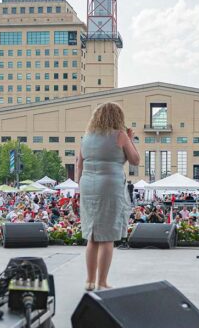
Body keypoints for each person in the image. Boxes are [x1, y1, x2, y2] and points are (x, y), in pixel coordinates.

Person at [75, 102, 140, 291]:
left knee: (92, 235)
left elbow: (79, 164)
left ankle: (89, 281)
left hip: (88, 184)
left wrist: (80, 186)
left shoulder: (86, 137)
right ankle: (102, 282)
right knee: (107, 237)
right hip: (109, 185)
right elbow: (135, 160)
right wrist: (130, 139)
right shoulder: (120, 135)